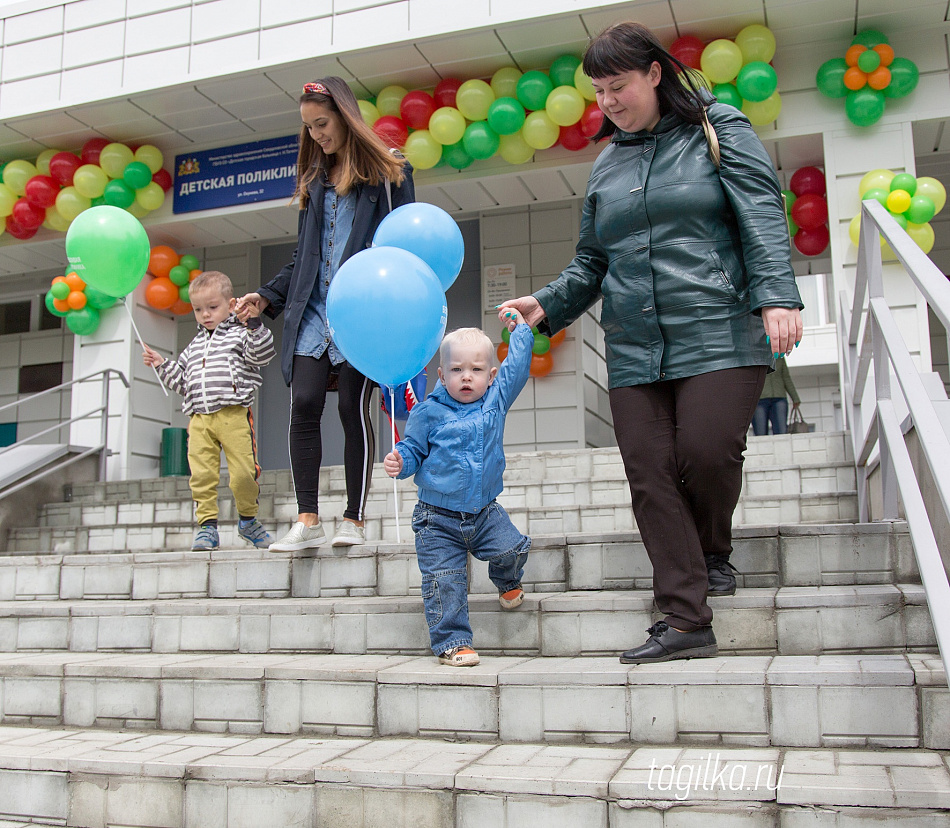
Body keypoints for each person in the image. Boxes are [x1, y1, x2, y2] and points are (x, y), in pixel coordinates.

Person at [500, 22, 804, 664]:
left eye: (619, 86)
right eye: (599, 91)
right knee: (649, 472)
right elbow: (592, 261)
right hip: (636, 344)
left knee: (708, 452)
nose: (608, 102)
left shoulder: (719, 128)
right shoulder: (609, 160)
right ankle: (686, 617)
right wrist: (546, 304)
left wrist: (777, 295)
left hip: (719, 325)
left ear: (655, 75)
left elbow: (761, 213)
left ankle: (711, 548)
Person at [236, 77, 415, 551]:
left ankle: (354, 519)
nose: (316, 135)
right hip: (314, 311)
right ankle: (307, 517)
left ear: (345, 116)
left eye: (322, 123)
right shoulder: (315, 182)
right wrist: (267, 297)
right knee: (304, 405)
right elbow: (304, 255)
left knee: (350, 406)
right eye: (308, 128)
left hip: (361, 312)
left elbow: (404, 245)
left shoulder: (390, 173)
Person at [383, 313, 533, 667]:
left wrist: (521, 332)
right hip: (437, 519)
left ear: (491, 376)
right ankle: (453, 642)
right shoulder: (428, 412)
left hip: (484, 512)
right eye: (456, 370)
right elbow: (414, 448)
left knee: (511, 548)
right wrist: (401, 461)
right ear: (441, 375)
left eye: (477, 370)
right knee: (444, 580)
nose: (466, 376)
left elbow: (518, 369)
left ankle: (506, 578)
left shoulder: (495, 401)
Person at [143, 270, 276, 551]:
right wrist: (160, 365)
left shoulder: (241, 336)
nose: (205, 314)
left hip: (233, 413)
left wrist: (254, 323)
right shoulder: (192, 348)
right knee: (201, 476)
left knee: (242, 474)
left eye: (212, 307)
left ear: (230, 305)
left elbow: (262, 354)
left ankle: (248, 520)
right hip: (200, 419)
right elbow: (182, 382)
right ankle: (207, 528)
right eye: (198, 309)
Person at [752, 356, 800, 435]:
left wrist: (795, 398)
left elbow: (786, 377)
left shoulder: (779, 357)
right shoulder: (753, 356)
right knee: (760, 434)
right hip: (759, 399)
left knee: (781, 433)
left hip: (779, 398)